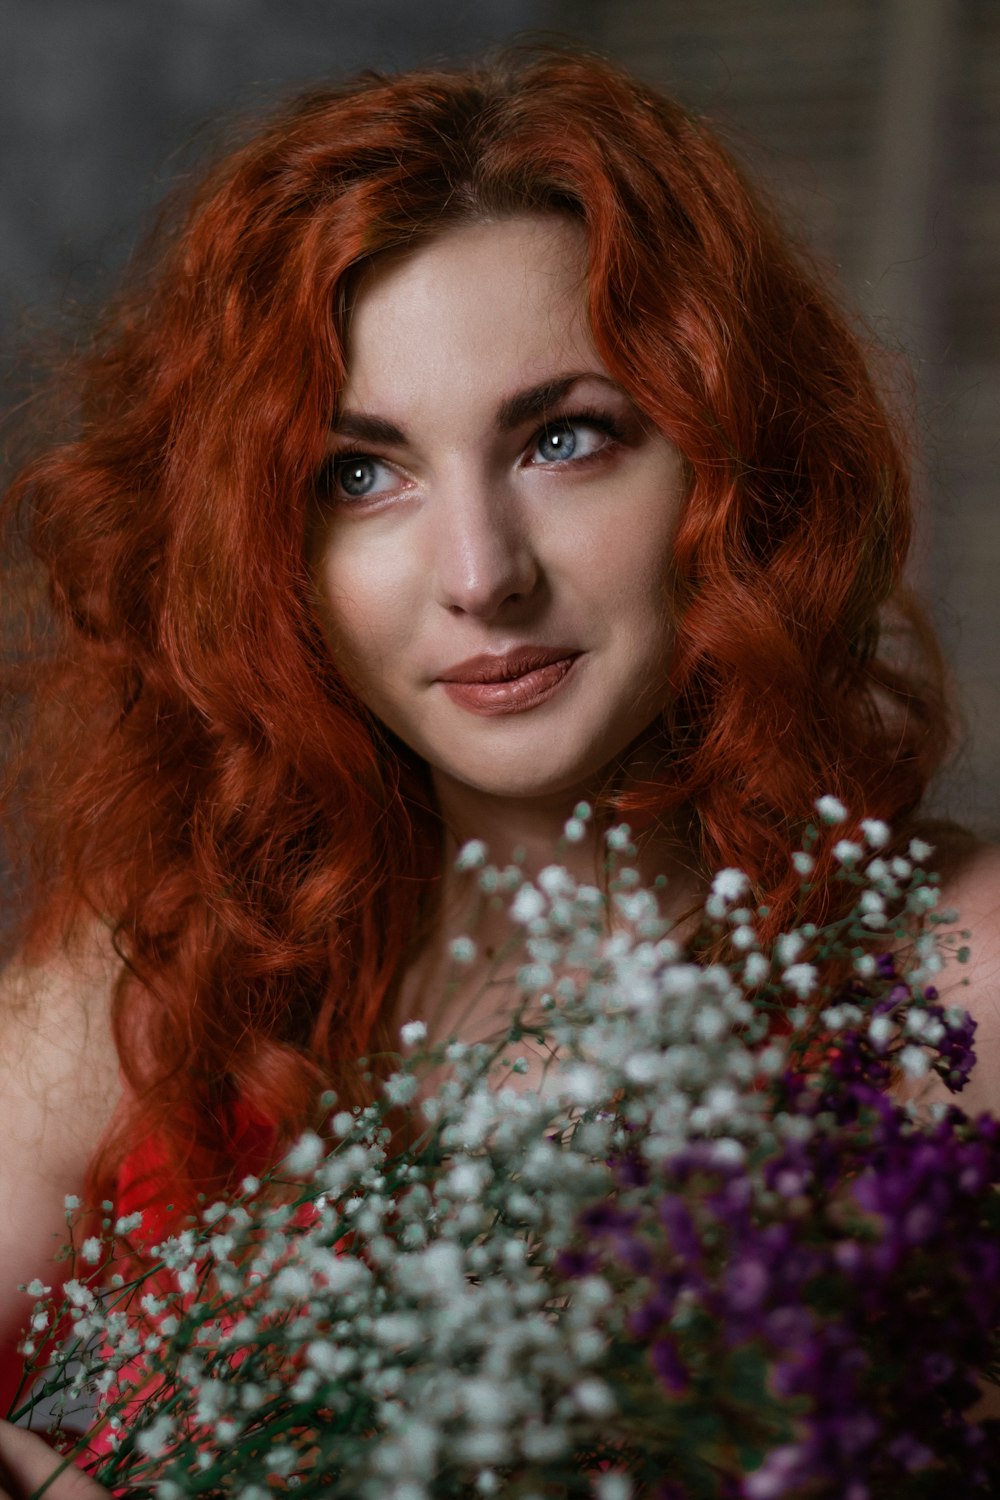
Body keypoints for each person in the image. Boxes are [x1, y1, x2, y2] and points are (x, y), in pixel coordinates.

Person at [2, 46, 999, 1485]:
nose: (480, 575)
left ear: (731, 465)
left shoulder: (939, 980)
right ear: (264, 545)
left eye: (566, 439)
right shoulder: (162, 968)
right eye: (361, 473)